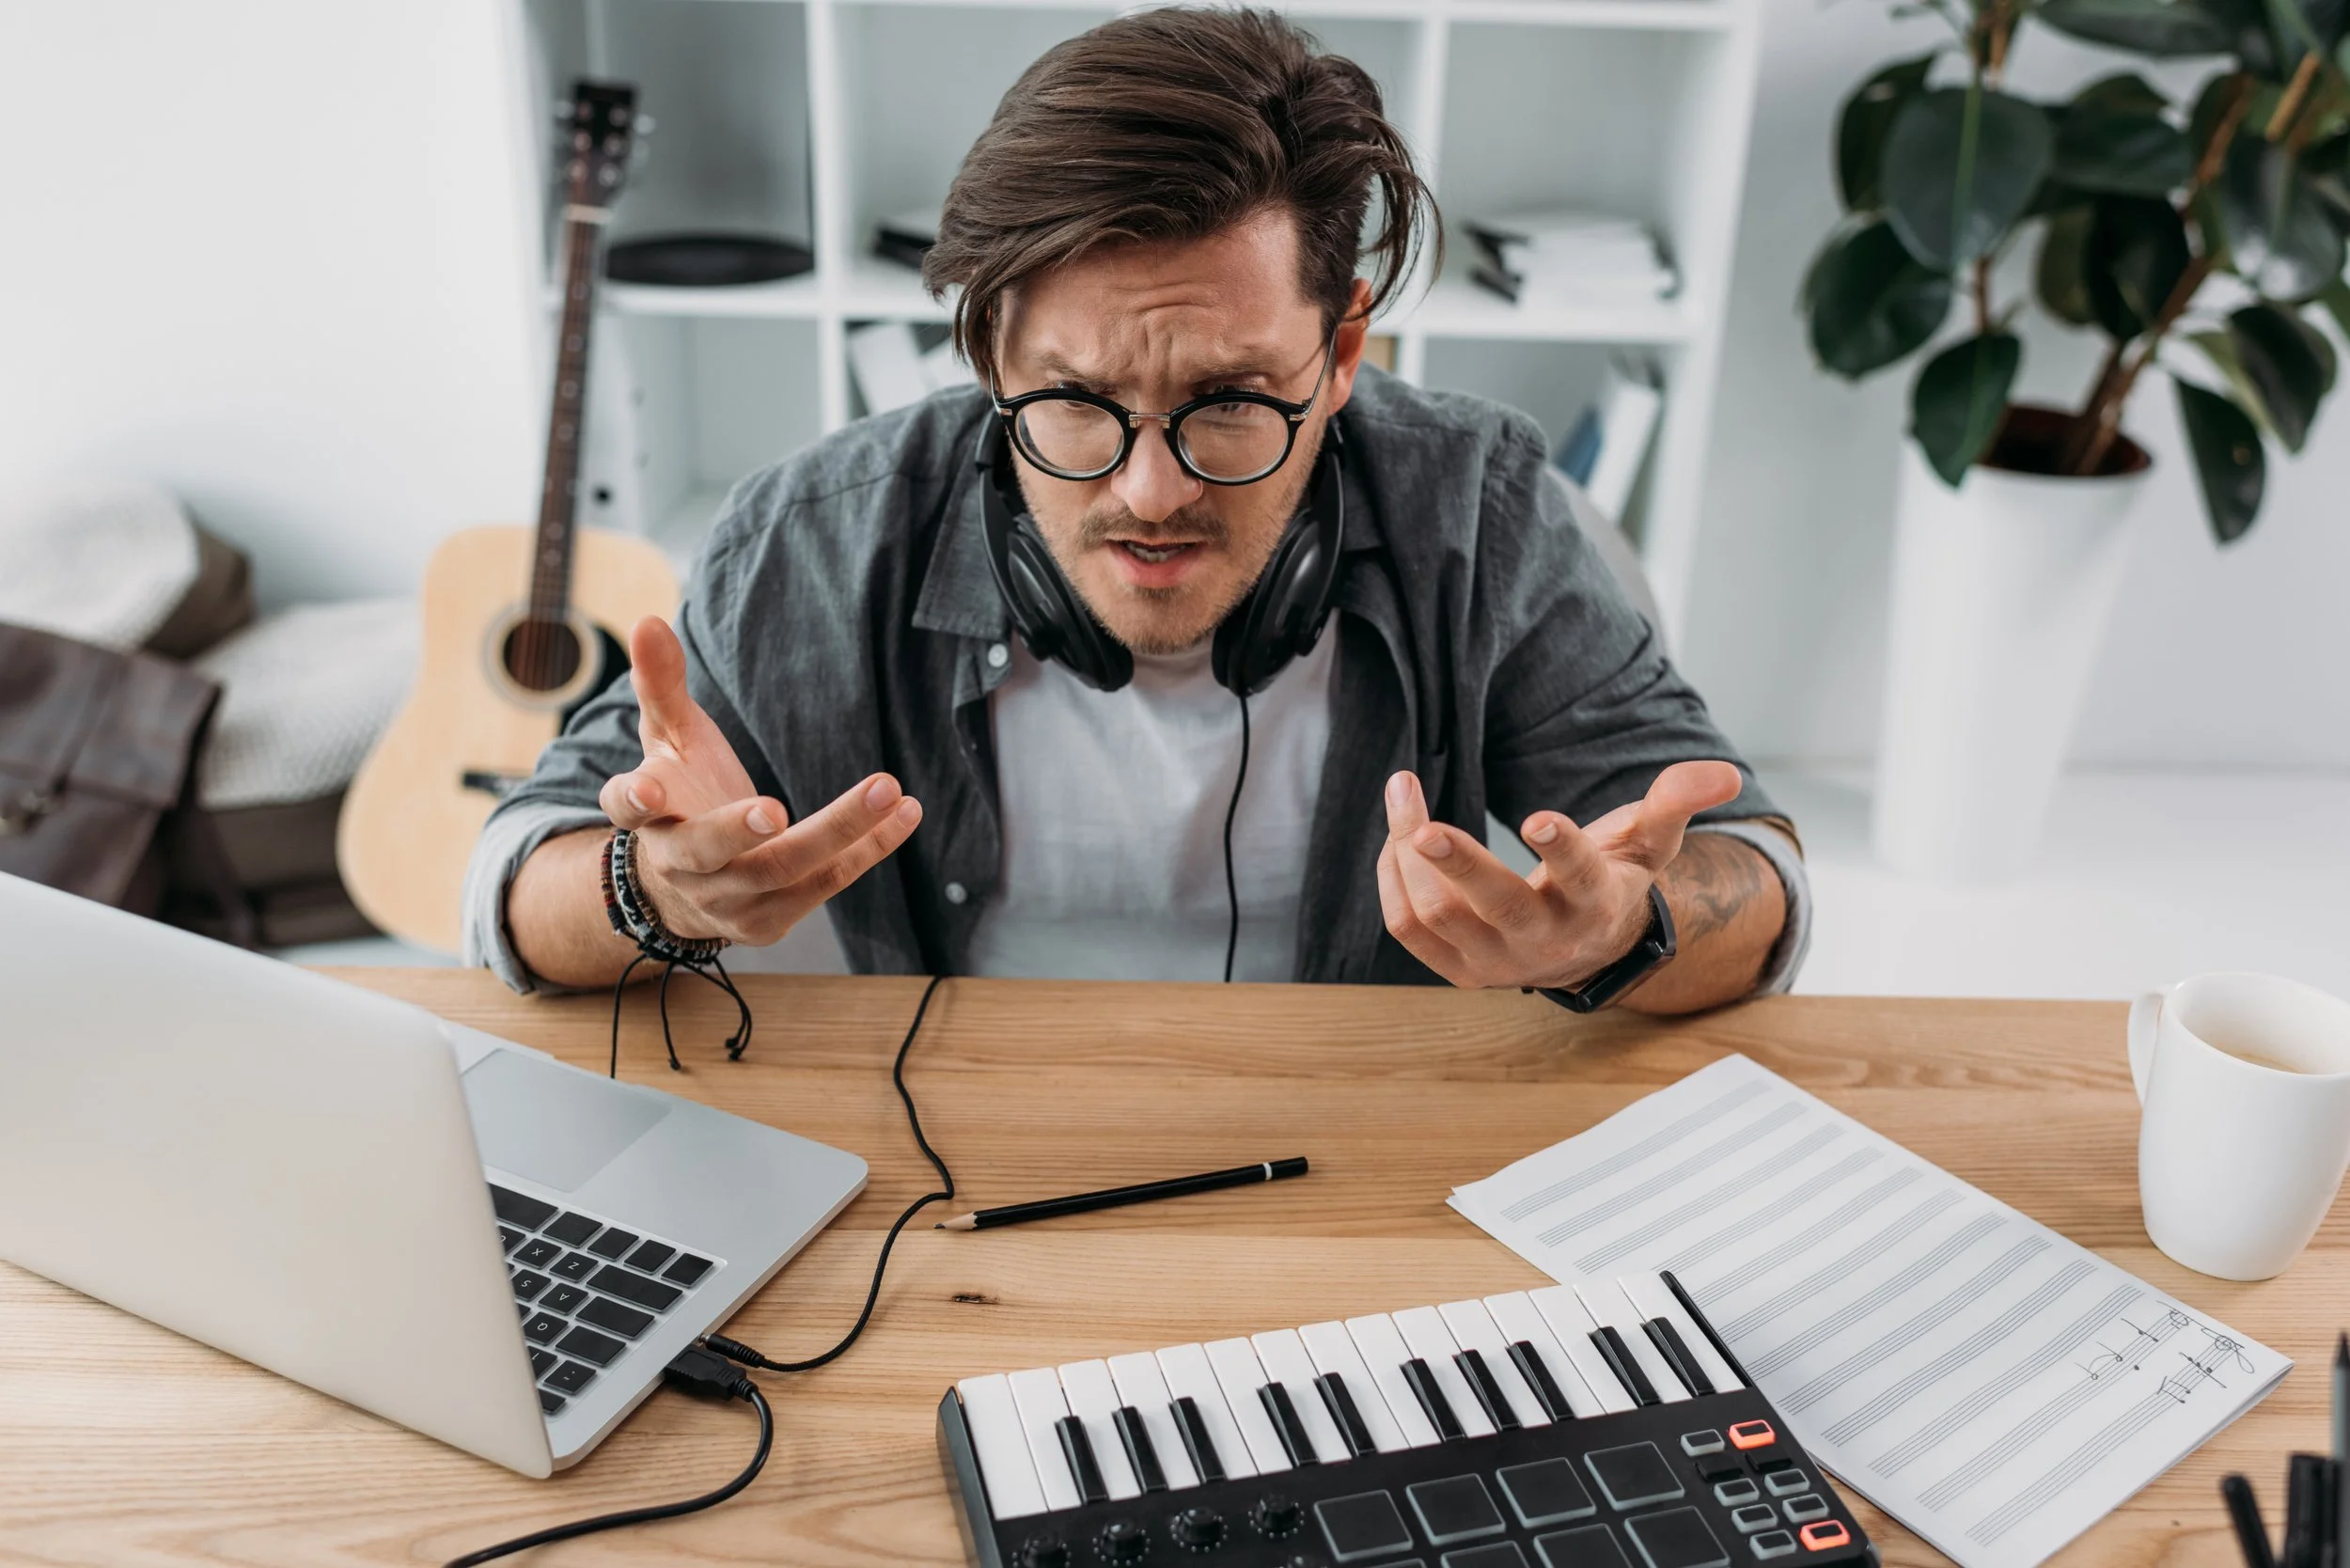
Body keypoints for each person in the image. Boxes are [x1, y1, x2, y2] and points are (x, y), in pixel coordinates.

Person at [463, 6, 1809, 1012]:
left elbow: (1756, 873)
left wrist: (1627, 930)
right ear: (988, 353)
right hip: (952, 1172)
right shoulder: (812, 539)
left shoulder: (1483, 509)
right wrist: (651, 888)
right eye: (1075, 403)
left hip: (1356, 1164)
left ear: (1343, 353)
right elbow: (512, 880)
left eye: (1232, 400)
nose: (1151, 490)